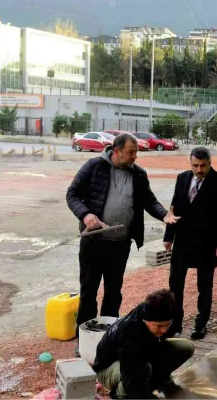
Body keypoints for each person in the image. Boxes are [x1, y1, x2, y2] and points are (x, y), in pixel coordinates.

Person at [67, 133, 178, 354]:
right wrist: (86, 215)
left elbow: (149, 200)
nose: (135, 156)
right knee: (88, 292)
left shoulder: (138, 174)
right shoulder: (94, 166)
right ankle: (84, 343)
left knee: (113, 292)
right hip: (93, 242)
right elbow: (72, 194)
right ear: (116, 151)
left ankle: (109, 340)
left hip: (120, 245)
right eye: (131, 152)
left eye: (136, 152)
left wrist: (164, 215)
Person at [163, 147, 217, 340]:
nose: (199, 169)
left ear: (210, 163)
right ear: (190, 163)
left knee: (205, 286)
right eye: (195, 165)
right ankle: (176, 323)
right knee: (175, 285)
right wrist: (168, 237)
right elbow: (174, 208)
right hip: (183, 242)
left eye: (203, 165)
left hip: (207, 244)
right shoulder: (182, 178)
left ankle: (201, 324)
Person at [94, 289, 195, 400]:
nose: (164, 330)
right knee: (143, 369)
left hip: (137, 354)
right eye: (159, 326)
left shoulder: (151, 309)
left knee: (186, 348)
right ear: (145, 321)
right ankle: (119, 394)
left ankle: (158, 379)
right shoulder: (130, 335)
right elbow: (131, 374)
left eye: (167, 324)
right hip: (107, 369)